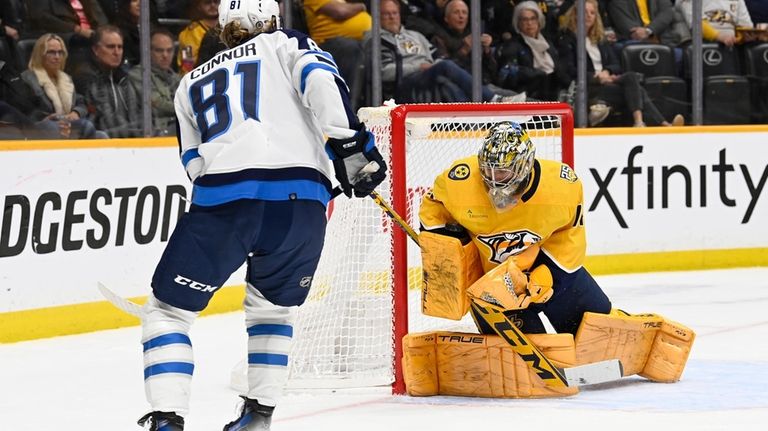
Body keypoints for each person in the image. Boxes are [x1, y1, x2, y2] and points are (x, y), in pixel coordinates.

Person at [135, 0, 387, 429]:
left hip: (223, 205)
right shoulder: (284, 43)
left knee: (168, 313)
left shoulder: (189, 82)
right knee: (273, 312)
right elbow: (320, 80)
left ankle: (166, 421)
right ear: (269, 19)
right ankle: (257, 417)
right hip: (301, 206)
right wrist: (350, 147)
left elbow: (193, 161)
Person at [412, 121, 694, 397]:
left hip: (552, 273)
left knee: (597, 332)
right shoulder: (458, 180)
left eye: (504, 173)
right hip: (494, 286)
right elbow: (433, 211)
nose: (494, 181)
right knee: (527, 359)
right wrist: (451, 256)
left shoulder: (561, 186)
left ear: (523, 166)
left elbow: (570, 234)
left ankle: (641, 344)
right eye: (489, 171)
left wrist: (545, 273)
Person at [558, 0, 685, 127]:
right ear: (574, 14)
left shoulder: (599, 40)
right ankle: (658, 123)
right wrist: (596, 77)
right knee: (636, 90)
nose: (589, 16)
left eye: (592, 13)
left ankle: (642, 122)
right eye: (584, 12)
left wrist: (607, 72)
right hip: (588, 87)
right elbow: (567, 72)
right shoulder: (567, 40)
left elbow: (615, 64)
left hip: (606, 83)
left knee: (630, 78)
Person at [377, 0, 524, 103]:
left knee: (448, 82)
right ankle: (491, 101)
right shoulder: (376, 39)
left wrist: (485, 51)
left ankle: (541, 110)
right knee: (445, 67)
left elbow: (438, 58)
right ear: (377, 17)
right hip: (406, 82)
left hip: (431, 77)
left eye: (394, 13)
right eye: (386, 14)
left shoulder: (416, 36)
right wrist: (418, 67)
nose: (392, 17)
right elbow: (382, 72)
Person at [21, 33, 108, 139]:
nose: (57, 57)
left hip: (69, 126)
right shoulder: (28, 78)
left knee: (101, 136)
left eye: (60, 52)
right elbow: (25, 111)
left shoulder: (66, 79)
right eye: (51, 52)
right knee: (86, 126)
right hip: (43, 128)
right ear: (40, 54)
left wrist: (76, 113)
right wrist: (48, 118)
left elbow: (81, 102)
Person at [73, 25, 142, 137]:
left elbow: (137, 112)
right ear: (95, 50)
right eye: (110, 47)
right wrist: (139, 133)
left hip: (129, 138)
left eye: (120, 47)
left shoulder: (123, 76)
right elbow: (107, 119)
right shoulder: (86, 76)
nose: (116, 52)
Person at [495, 1, 571, 101]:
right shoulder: (512, 46)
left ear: (539, 21)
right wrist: (538, 74)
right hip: (528, 97)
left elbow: (560, 71)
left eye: (533, 18)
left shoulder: (548, 43)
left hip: (553, 94)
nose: (529, 23)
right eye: (524, 20)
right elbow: (508, 77)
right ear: (518, 23)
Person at [303, 0, 371, 108]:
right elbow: (340, 11)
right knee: (351, 48)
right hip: (328, 44)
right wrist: (362, 6)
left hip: (361, 42)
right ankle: (350, 109)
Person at [431, 0, 499, 87]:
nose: (461, 16)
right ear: (446, 18)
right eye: (456, 12)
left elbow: (493, 73)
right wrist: (464, 50)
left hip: (483, 85)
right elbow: (444, 69)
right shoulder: (439, 38)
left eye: (464, 13)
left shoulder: (474, 34)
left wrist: (487, 51)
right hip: (458, 88)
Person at [128, 28, 180, 135]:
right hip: (152, 132)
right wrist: (184, 109)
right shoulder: (139, 74)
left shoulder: (176, 78)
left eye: (169, 50)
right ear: (148, 51)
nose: (165, 55)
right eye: (159, 50)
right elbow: (157, 103)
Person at [676, 0, 753, 47]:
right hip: (699, 44)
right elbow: (697, 25)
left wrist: (741, 37)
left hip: (733, 45)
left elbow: (746, 27)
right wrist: (720, 36)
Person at [177, 0, 220, 74]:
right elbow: (187, 64)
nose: (213, 5)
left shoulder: (228, 26)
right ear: (199, 6)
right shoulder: (189, 34)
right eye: (207, 2)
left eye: (216, 2)